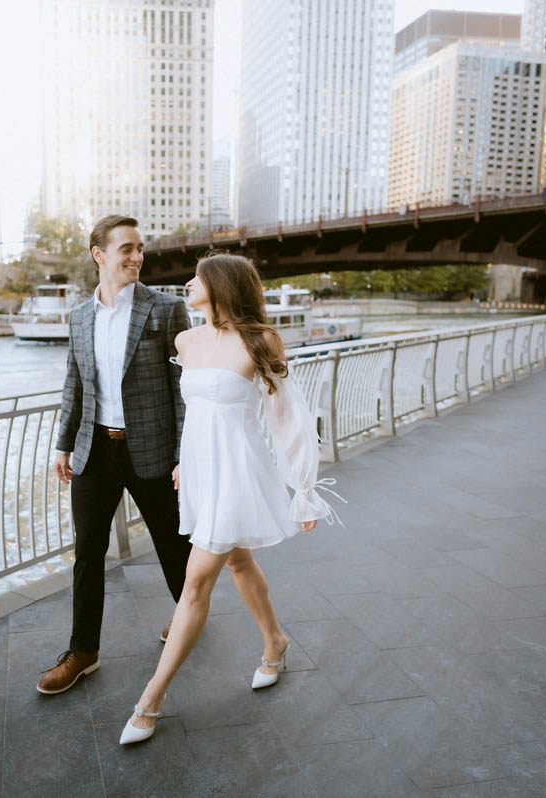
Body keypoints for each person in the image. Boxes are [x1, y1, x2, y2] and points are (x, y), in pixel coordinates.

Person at [119, 253, 340, 744]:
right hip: (200, 471)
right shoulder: (186, 340)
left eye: (197, 278)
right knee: (239, 563)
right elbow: (197, 411)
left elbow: (288, 418)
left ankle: (150, 700)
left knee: (195, 580)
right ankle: (275, 642)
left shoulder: (260, 340)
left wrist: (304, 490)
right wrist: (183, 460)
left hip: (238, 471)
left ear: (221, 286)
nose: (188, 283)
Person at [37, 214, 193, 695]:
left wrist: (187, 455)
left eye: (140, 247)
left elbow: (182, 389)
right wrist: (63, 444)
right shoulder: (80, 316)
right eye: (126, 248)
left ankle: (189, 618)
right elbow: (74, 384)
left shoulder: (166, 310)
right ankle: (83, 651)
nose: (137, 256)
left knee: (173, 546)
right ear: (99, 255)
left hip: (153, 451)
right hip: (94, 451)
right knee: (87, 552)